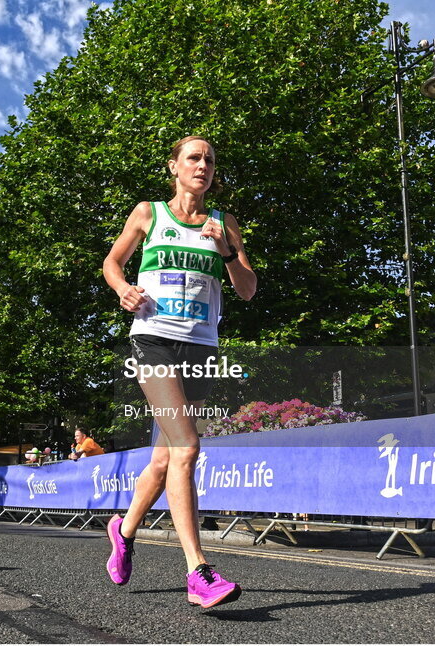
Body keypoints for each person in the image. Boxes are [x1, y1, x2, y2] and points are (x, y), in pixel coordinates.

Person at [101, 135, 255, 608]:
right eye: (194, 157)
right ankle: (198, 572)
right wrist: (123, 288)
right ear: (175, 166)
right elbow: (111, 261)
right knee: (187, 447)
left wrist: (227, 251)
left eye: (210, 159)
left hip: (201, 347)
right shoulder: (149, 213)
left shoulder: (224, 223)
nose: (203, 165)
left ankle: (124, 529)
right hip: (153, 340)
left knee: (166, 458)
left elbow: (247, 290)